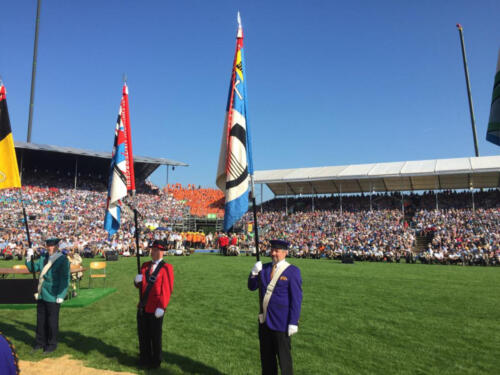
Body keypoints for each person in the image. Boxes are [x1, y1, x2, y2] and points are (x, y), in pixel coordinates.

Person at [248, 239, 303, 375]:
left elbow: (296, 299)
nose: (273, 253)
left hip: (282, 323)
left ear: (285, 253)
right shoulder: (264, 268)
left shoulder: (292, 271)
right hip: (265, 321)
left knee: (284, 362)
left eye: (276, 251)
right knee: (267, 361)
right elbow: (252, 287)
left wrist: (293, 322)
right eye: (272, 250)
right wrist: (254, 273)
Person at [134, 239, 174, 369]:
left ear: (162, 251)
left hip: (156, 307)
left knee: (155, 335)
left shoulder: (167, 268)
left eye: (156, 250)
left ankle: (155, 361)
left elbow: (167, 289)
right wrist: (136, 281)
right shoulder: (145, 265)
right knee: (143, 334)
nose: (153, 252)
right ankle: (144, 358)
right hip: (143, 305)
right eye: (152, 249)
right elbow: (140, 286)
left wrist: (162, 306)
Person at [25, 238, 70, 354]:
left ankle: (51, 345)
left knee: (52, 322)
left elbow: (65, 279)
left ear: (56, 247)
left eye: (52, 245)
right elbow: (33, 269)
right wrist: (29, 257)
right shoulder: (43, 258)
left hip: (53, 294)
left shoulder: (62, 260)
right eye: (48, 245)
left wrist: (61, 294)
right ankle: (40, 343)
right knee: (40, 320)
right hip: (41, 293)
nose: (50, 247)